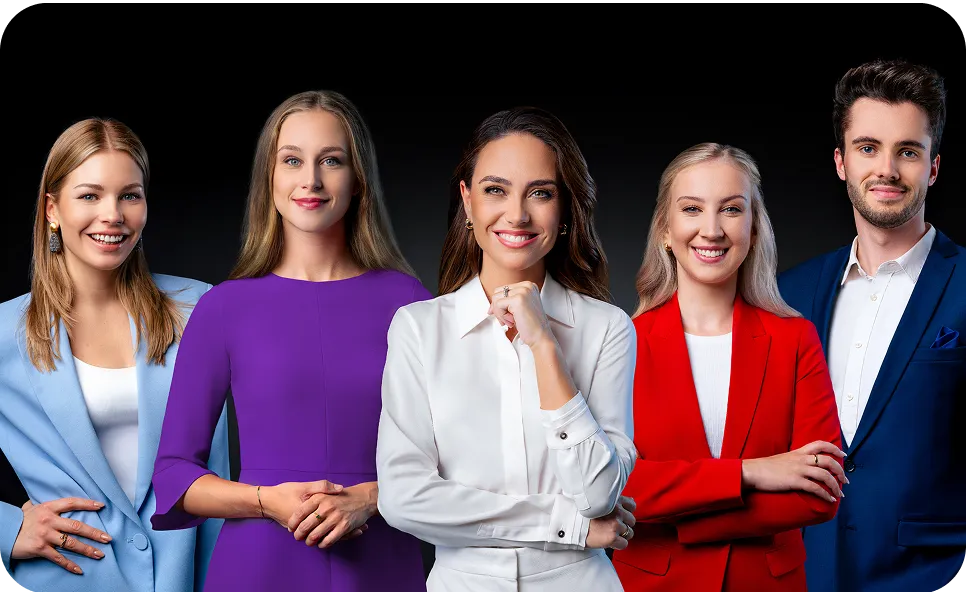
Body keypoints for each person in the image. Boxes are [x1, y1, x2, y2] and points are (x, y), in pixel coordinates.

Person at [150, 90, 431, 591]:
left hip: (382, 564)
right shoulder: (224, 308)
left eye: (331, 160)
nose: (312, 180)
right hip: (258, 567)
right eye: (293, 160)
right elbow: (174, 476)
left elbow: (457, 457)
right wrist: (267, 501)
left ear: (357, 179)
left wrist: (370, 497)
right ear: (270, 178)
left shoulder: (407, 302)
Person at [376, 106, 638, 591]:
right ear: (468, 201)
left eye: (540, 193)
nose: (517, 214)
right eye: (495, 190)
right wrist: (568, 525)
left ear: (564, 211)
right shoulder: (418, 329)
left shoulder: (608, 329)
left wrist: (543, 344)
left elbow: (600, 492)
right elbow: (403, 498)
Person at [0, 118, 229, 591]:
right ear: (51, 209)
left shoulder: (200, 308)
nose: (113, 215)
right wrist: (8, 530)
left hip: (191, 575)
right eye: (89, 195)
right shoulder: (4, 331)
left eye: (129, 195)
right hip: (72, 576)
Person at [612, 143, 846, 591]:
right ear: (665, 228)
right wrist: (751, 472)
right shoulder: (621, 342)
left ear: (754, 228)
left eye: (732, 210)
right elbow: (617, 485)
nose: (712, 229)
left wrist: (687, 517)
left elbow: (819, 493)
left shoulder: (795, 339)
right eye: (692, 208)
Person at [778, 59, 966, 592]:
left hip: (935, 577)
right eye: (867, 147)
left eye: (907, 151)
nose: (886, 169)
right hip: (808, 571)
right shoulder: (790, 292)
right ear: (841, 162)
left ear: (932, 168)